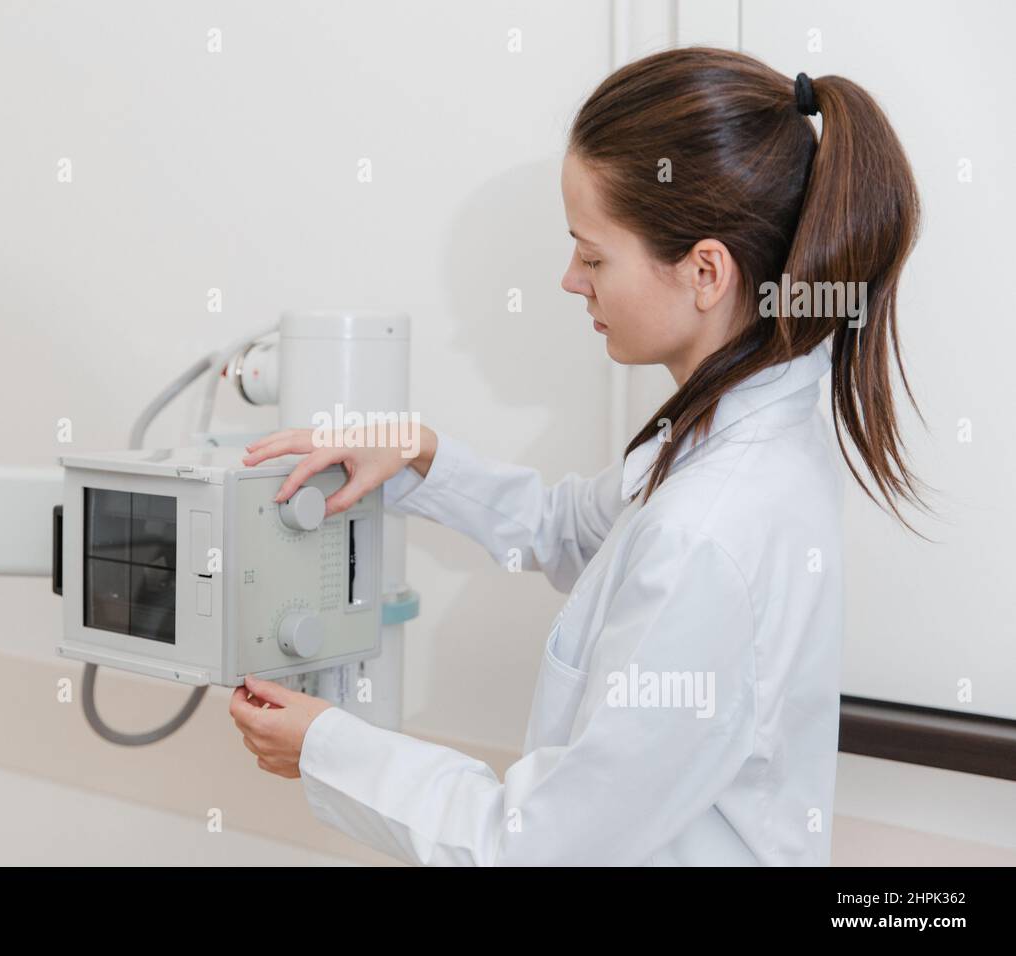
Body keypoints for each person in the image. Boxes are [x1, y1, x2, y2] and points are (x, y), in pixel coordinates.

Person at [228, 47, 929, 866]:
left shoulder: (712, 530)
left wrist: (328, 748)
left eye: (593, 256)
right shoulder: (733, 433)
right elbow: (567, 528)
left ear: (705, 271)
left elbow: (539, 848)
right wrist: (415, 454)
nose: (570, 279)